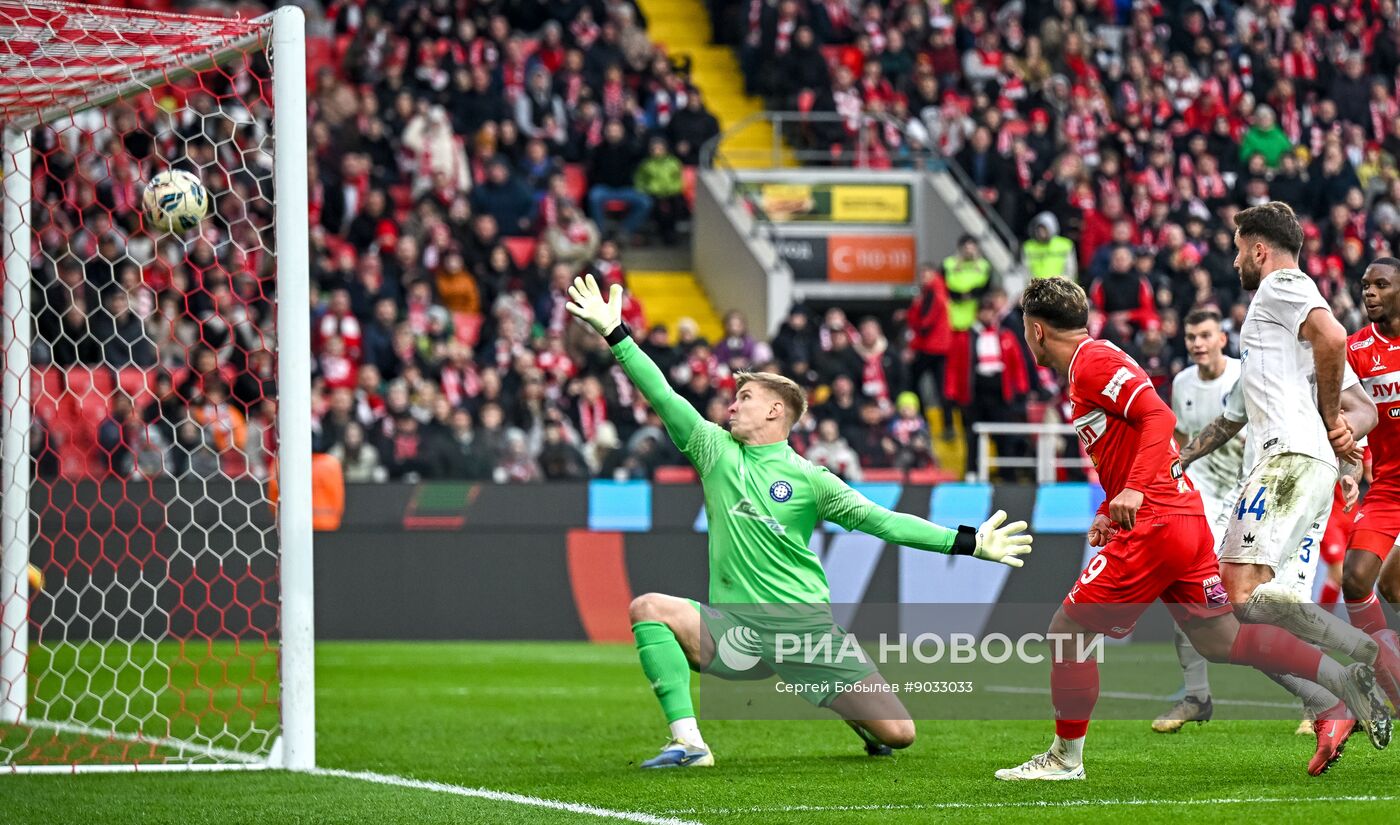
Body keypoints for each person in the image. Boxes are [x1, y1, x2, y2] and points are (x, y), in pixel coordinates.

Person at [564, 274, 1032, 768]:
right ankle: (689, 743)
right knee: (648, 607)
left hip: (805, 632)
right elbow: (662, 395)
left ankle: (849, 711)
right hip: (736, 633)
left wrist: (971, 543)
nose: (732, 404)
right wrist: (616, 335)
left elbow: (887, 524)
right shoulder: (713, 449)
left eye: (743, 398)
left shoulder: (813, 480)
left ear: (774, 410)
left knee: (899, 735)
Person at [997, 276, 1387, 781]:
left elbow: (1156, 417)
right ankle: (1337, 692)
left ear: (1036, 331)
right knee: (1220, 639)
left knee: (1067, 633)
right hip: (1180, 517)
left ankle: (1065, 758)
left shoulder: (1091, 363)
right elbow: (1132, 435)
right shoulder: (1094, 360)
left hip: (1157, 522)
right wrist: (1110, 505)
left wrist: (1135, 489)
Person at [1186, 203, 1400, 738]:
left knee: (1237, 596)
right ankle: (1346, 682)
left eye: (1238, 247)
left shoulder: (1281, 285)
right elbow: (1366, 408)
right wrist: (1345, 434)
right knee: (1261, 600)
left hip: (1286, 460)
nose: (1235, 259)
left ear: (1259, 249)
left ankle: (1355, 668)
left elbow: (1331, 339)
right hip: (1306, 464)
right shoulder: (1289, 316)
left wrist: (1330, 419)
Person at [1158, 310, 1377, 750]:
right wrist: (1175, 464)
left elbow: (1351, 422)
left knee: (1275, 604)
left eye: (1206, 334)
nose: (1198, 343)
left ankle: (1330, 693)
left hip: (1296, 494)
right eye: (1191, 335)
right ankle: (1201, 695)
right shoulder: (1238, 373)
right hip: (1240, 501)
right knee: (1201, 596)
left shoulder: (1318, 367)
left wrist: (1351, 469)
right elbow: (1216, 427)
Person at [1339, 258, 1400, 696]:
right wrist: (1348, 467)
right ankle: (1388, 676)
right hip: (1388, 487)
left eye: (1381, 284)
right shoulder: (1355, 350)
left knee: (1395, 584)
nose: (1370, 292)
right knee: (1357, 579)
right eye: (1365, 285)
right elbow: (1346, 421)